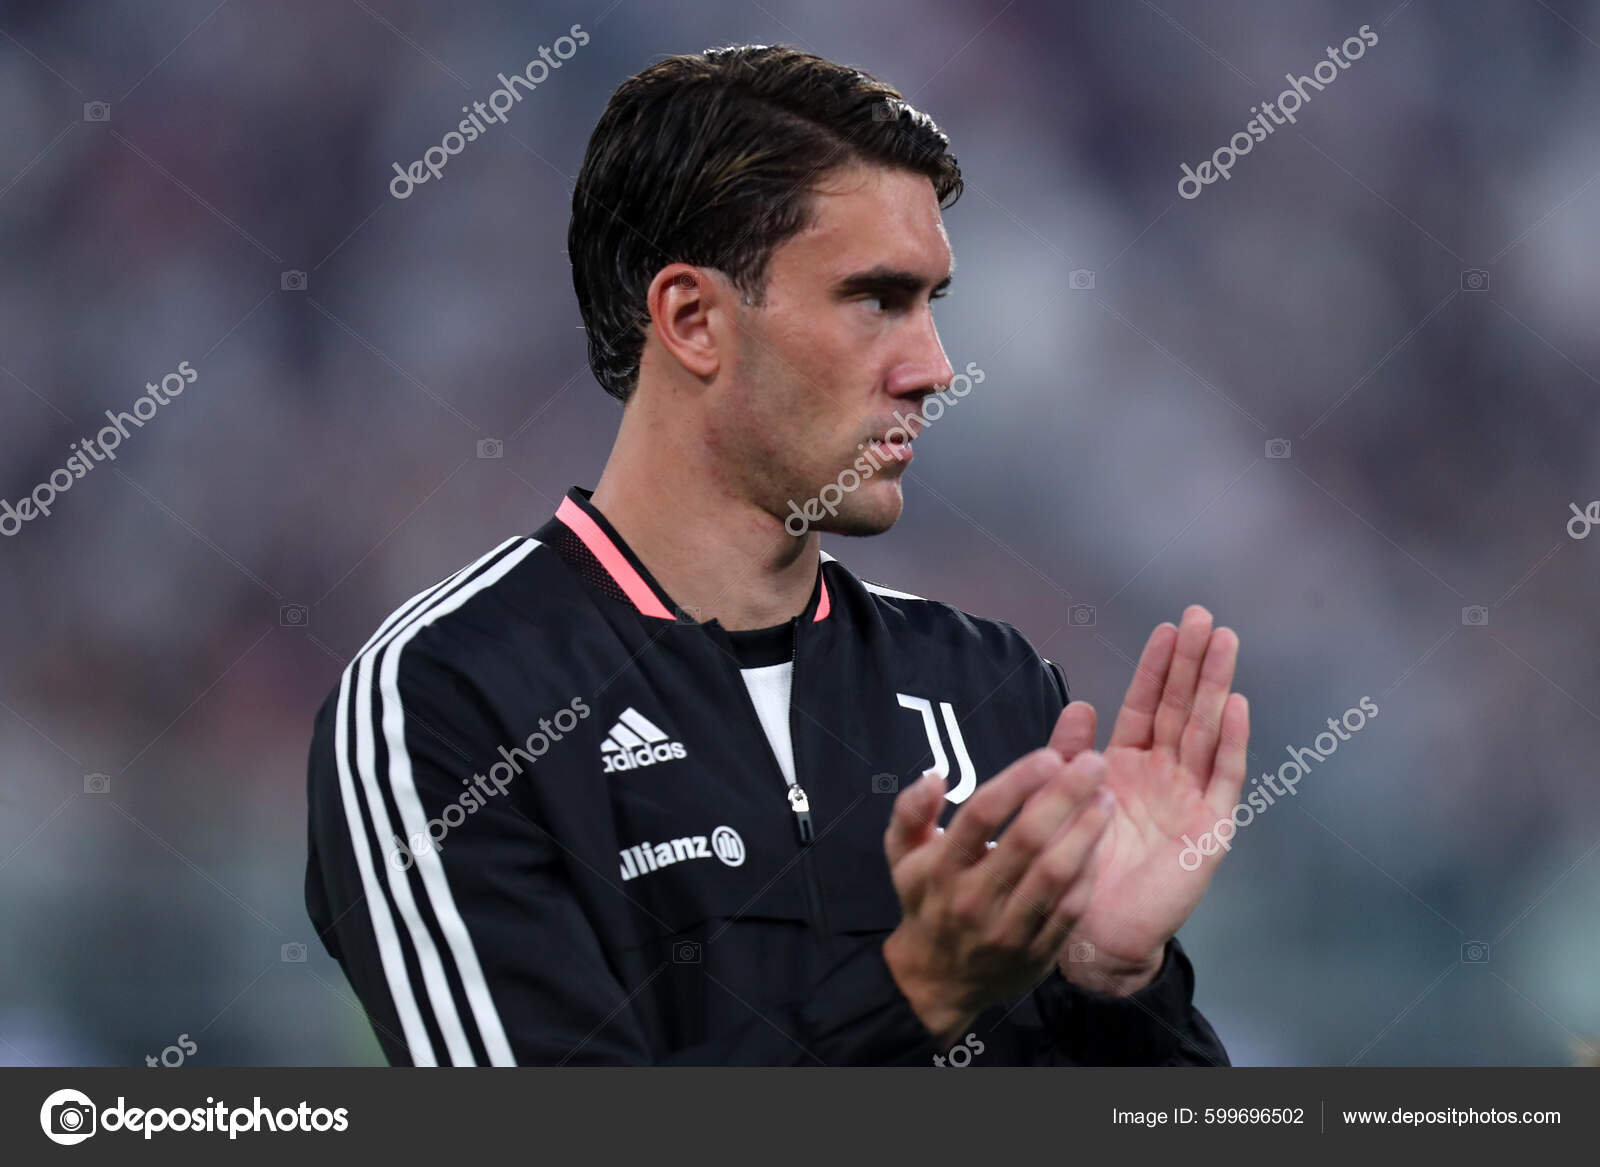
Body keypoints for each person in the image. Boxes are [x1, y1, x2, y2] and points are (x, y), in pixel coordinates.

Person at [304, 44, 1250, 1066]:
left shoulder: (987, 686)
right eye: (878, 299)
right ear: (692, 320)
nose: (933, 367)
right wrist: (918, 988)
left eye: (935, 302)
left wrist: (1119, 984)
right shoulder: (449, 700)